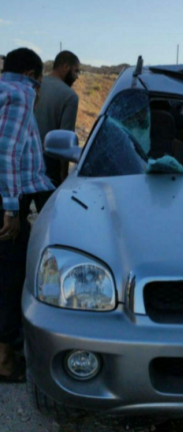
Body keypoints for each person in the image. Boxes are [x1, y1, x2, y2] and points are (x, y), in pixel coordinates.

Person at [0, 48, 54, 382]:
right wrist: (9, 209)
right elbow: (5, 155)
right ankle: (5, 361)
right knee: (9, 277)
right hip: (8, 198)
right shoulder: (21, 95)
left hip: (16, 192)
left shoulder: (5, 91)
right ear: (34, 74)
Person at [35, 50, 80, 192]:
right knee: (49, 211)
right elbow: (64, 143)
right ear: (65, 67)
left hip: (24, 158)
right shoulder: (70, 96)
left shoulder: (35, 84)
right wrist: (63, 176)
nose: (77, 77)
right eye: (76, 71)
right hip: (49, 164)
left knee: (17, 212)